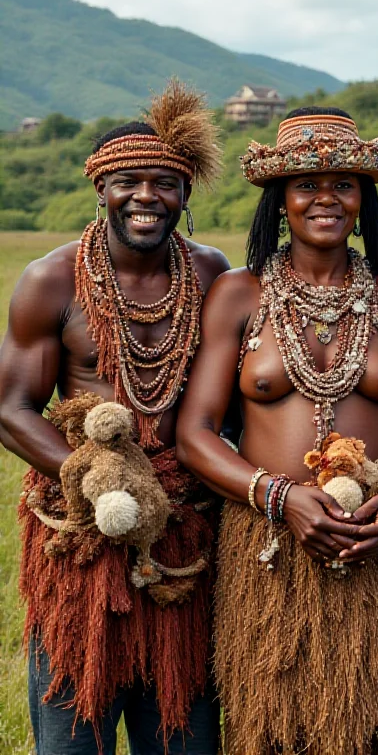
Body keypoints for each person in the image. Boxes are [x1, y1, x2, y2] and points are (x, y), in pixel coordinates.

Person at [175, 107, 378, 755]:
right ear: (280, 200)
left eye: (344, 183)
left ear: (364, 200)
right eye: (307, 184)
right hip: (266, 545)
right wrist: (282, 497)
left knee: (368, 730)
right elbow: (196, 433)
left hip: (373, 547)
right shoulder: (238, 294)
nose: (326, 197)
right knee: (269, 729)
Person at [0, 81, 229, 754]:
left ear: (185, 193)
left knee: (185, 736)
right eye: (128, 181)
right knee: (75, 735)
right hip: (81, 535)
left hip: (187, 538)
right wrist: (97, 476)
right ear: (101, 188)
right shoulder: (53, 279)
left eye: (166, 182)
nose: (147, 196)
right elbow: (11, 408)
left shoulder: (213, 274)